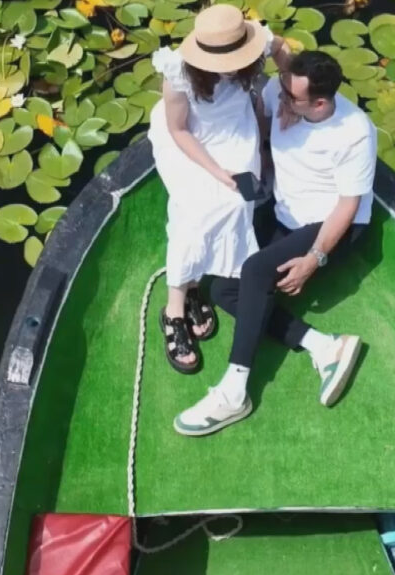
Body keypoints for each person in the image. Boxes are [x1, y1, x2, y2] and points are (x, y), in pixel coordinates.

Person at [174, 50, 377, 436]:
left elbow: (348, 207)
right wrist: (269, 125)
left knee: (255, 270)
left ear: (320, 104)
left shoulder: (354, 133)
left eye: (291, 97)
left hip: (330, 224)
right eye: (282, 87)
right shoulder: (279, 92)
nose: (278, 96)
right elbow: (263, 128)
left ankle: (234, 391)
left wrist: (314, 259)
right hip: (286, 212)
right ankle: (322, 345)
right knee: (222, 289)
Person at [147, 5, 290, 374]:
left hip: (236, 130)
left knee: (237, 206)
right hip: (192, 139)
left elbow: (282, 48)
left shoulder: (256, 42)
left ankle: (197, 282)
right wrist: (217, 172)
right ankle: (174, 307)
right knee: (194, 215)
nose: (231, 67)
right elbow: (179, 130)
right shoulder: (178, 74)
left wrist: (290, 93)